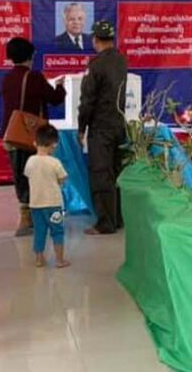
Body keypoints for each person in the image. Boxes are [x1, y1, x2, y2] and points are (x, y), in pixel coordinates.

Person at [0, 37, 67, 237]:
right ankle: (36, 218)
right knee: (37, 176)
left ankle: (25, 217)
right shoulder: (34, 77)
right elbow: (55, 99)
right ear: (30, 56)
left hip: (11, 135)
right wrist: (60, 86)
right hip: (30, 137)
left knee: (20, 175)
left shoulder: (7, 78)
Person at [79, 20, 127, 235]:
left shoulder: (96, 65)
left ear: (95, 40)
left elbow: (88, 100)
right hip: (119, 125)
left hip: (101, 127)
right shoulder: (121, 60)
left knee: (101, 174)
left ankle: (105, 223)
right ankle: (118, 219)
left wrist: (82, 127)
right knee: (117, 172)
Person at [25, 124, 70, 269]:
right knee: (57, 231)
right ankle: (59, 260)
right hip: (53, 204)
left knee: (39, 231)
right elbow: (63, 178)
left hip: (35, 204)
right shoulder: (55, 162)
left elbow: (28, 175)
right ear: (54, 145)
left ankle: (39, 259)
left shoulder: (30, 161)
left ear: (35, 143)